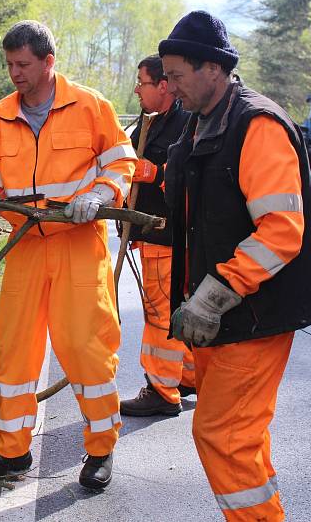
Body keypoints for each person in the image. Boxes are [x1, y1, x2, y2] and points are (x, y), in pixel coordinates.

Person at [159, 11, 311, 521]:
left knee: (222, 433)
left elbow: (281, 231)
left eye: (176, 76)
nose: (170, 88)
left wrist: (212, 294)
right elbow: (198, 215)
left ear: (212, 68)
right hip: (227, 313)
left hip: (254, 312)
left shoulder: (256, 126)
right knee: (242, 434)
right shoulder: (200, 124)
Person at [0, 20, 136, 490]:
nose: (14, 73)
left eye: (22, 64)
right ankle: (12, 450)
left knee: (87, 348)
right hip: (25, 246)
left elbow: (121, 162)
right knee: (15, 350)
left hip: (78, 246)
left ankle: (101, 449)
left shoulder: (91, 107)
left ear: (49, 62)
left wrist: (102, 195)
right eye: (9, 64)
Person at [118, 54, 195, 418]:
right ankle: (188, 377)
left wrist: (155, 171)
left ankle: (163, 391)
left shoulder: (185, 123)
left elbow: (189, 178)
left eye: (142, 82)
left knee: (159, 315)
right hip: (149, 234)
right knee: (176, 309)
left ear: (163, 86)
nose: (137, 88)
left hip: (167, 237)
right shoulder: (148, 125)